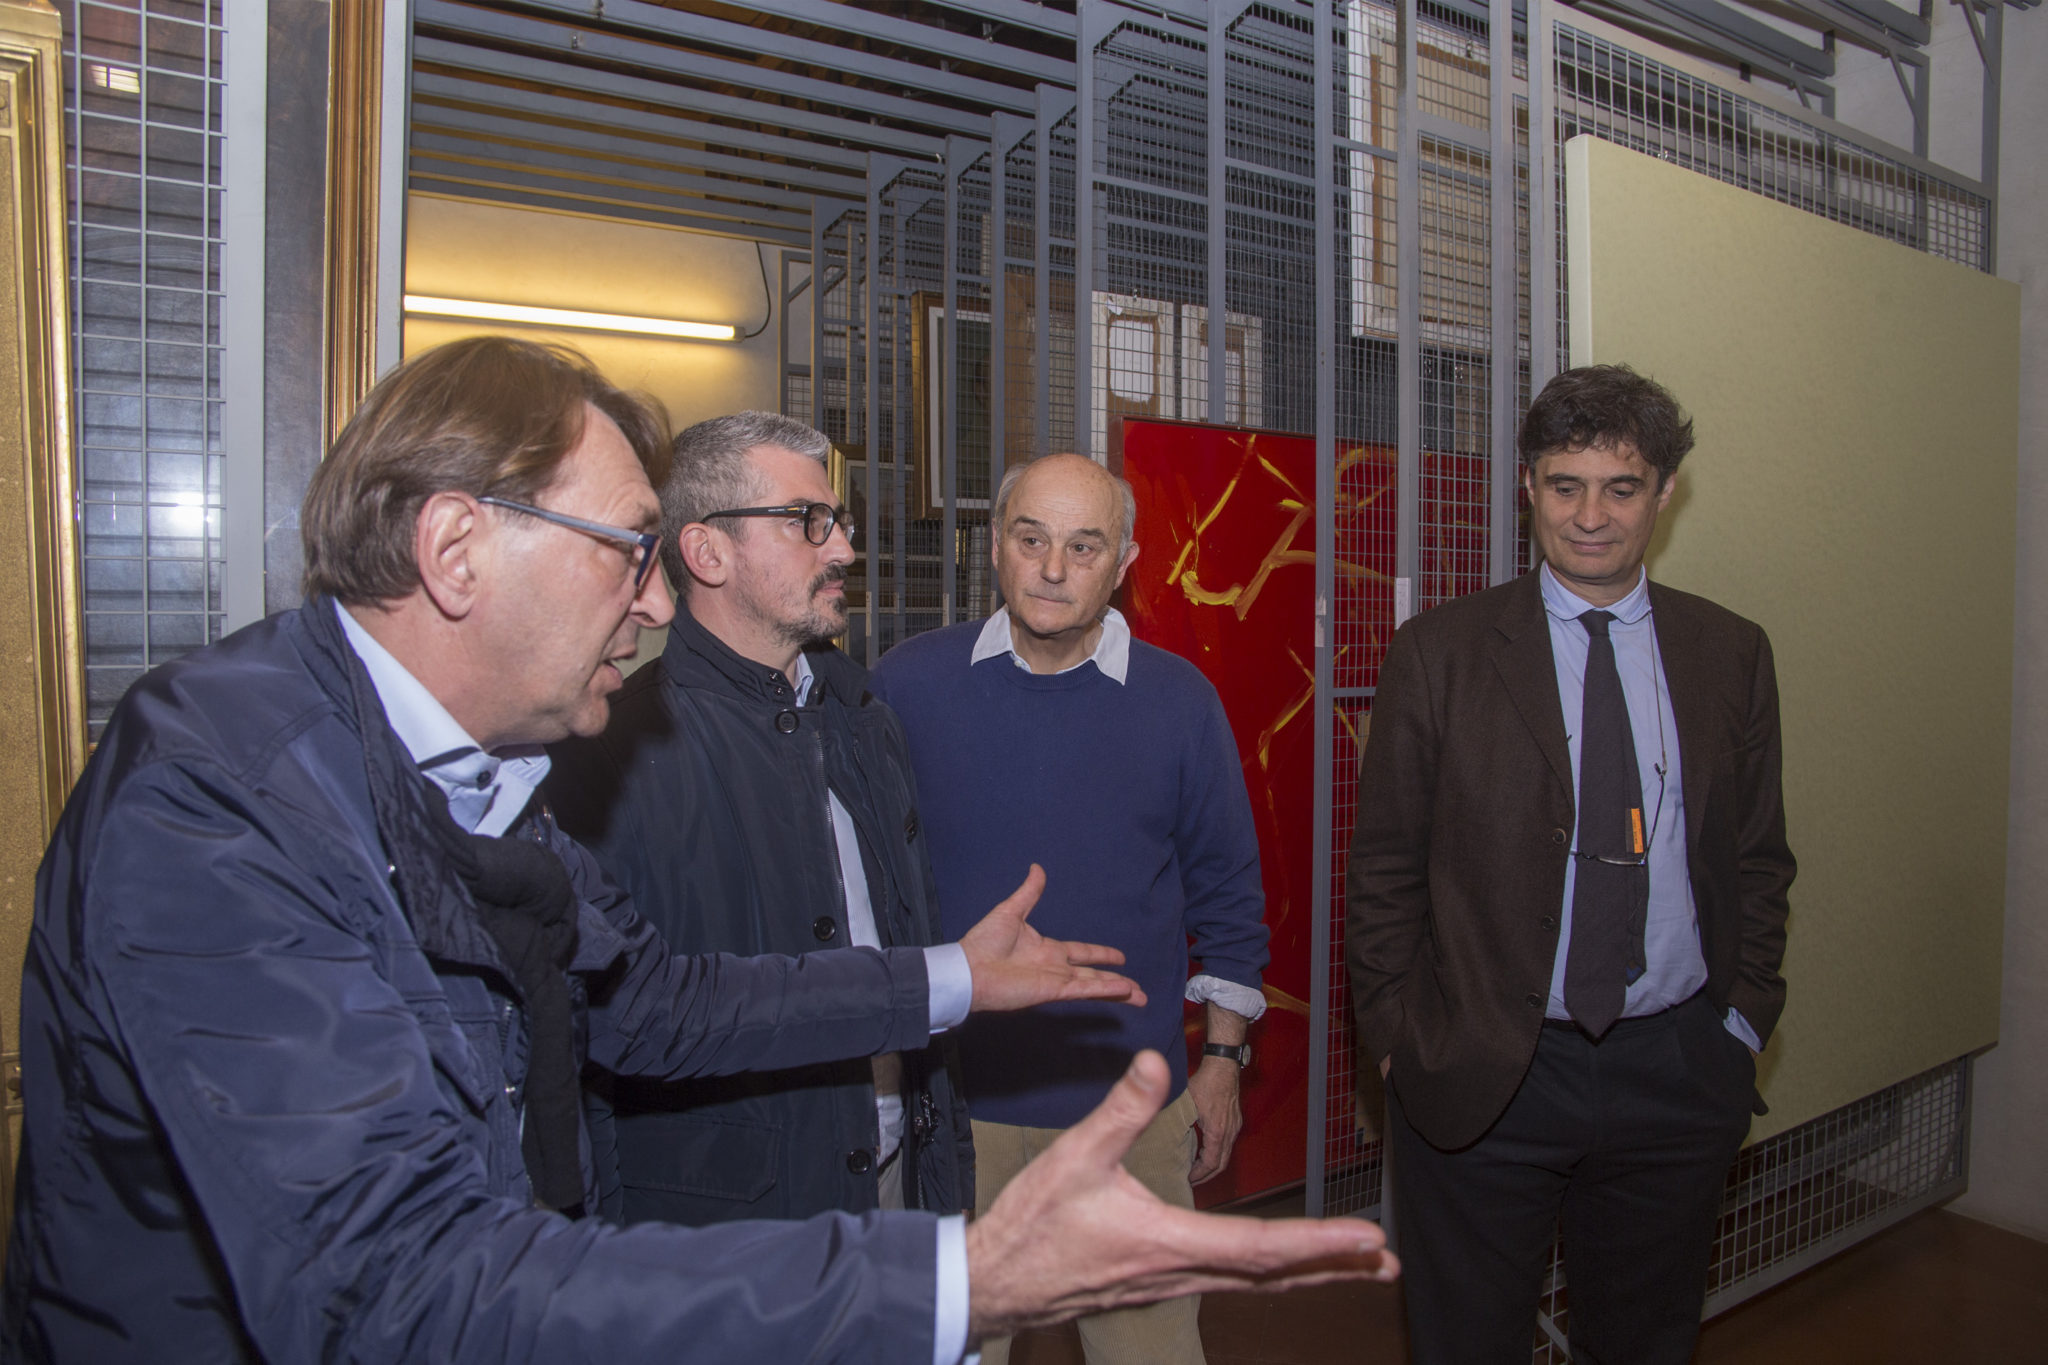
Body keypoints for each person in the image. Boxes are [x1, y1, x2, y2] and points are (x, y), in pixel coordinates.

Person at [0, 338, 1397, 1363]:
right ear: (458, 547)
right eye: (628, 549)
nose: (657, 597)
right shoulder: (225, 798)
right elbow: (399, 1287)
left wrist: (950, 981)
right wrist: (957, 1286)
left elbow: (656, 1000)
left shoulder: (472, 771)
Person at [1347, 363, 1794, 1364]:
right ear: (1528, 485)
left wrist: (1739, 1023)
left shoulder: (1730, 653)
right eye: (1565, 485)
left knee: (1643, 1343)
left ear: (1663, 493)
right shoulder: (1439, 654)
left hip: (1677, 1070)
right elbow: (1383, 871)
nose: (1590, 516)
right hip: (1484, 1070)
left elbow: (1757, 858)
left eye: (1620, 487)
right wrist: (1401, 1043)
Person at [871, 452, 1270, 1365]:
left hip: (1130, 1114)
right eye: (1031, 539)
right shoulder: (906, 685)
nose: (1053, 568)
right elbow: (859, 881)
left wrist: (1223, 1061)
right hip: (956, 1107)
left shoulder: (1180, 702)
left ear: (1123, 563)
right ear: (994, 547)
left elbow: (1228, 893)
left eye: (1083, 546)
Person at [548, 411, 973, 1225]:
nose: (842, 549)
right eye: (807, 521)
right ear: (708, 552)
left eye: (838, 522)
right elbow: (605, 1036)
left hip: (892, 1181)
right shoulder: (607, 754)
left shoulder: (864, 718)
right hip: (732, 1231)